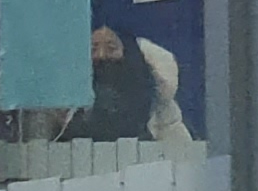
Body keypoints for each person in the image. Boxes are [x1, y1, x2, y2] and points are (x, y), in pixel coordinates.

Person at [65, 14, 190, 144]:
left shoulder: (162, 116)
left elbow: (181, 152)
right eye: (93, 49)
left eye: (111, 49)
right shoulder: (67, 112)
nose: (101, 56)